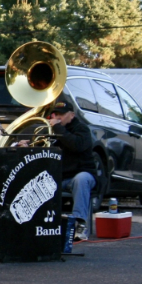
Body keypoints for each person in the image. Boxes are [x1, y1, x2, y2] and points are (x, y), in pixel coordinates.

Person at [48, 99, 96, 241]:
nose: (57, 118)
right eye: (55, 115)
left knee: (81, 179)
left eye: (61, 115)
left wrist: (58, 129)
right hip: (59, 177)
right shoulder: (52, 130)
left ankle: (80, 223)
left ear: (72, 115)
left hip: (81, 176)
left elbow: (76, 145)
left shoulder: (82, 129)